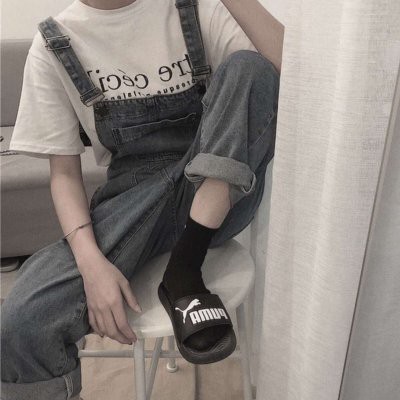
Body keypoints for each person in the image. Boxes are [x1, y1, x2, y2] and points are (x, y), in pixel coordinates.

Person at [1, 0, 283, 399]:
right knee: (22, 321)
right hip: (130, 199)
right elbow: (63, 174)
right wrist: (91, 264)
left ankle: (185, 267)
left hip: (214, 193)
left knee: (251, 68)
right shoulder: (54, 42)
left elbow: (291, 72)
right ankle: (180, 273)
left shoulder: (193, 8)